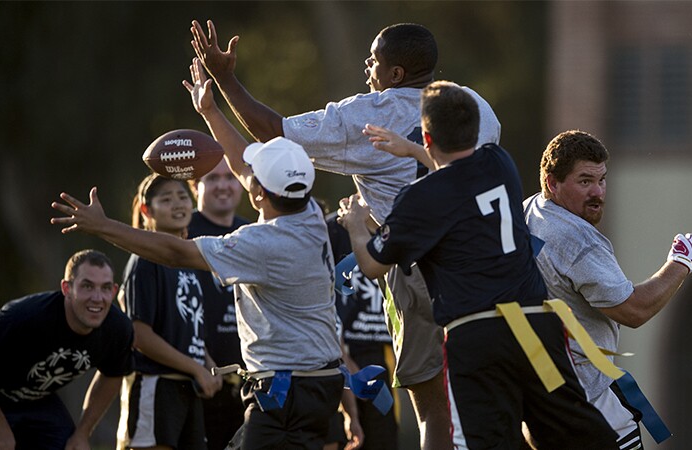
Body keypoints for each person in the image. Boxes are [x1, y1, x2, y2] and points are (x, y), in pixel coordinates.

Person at [190, 20, 500, 448]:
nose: (367, 66)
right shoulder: (475, 105)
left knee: (432, 409)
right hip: (488, 262)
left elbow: (273, 131)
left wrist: (224, 79)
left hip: (416, 267)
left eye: (375, 60)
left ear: (396, 75)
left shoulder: (369, 115)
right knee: (493, 396)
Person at [50, 60, 344, 449]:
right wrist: (210, 111)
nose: (245, 174)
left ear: (258, 194)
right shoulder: (307, 213)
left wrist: (103, 226)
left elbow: (175, 252)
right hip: (319, 385)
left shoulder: (264, 243)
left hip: (285, 391)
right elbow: (244, 167)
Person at [338, 81, 618, 449]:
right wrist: (413, 150)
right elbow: (458, 173)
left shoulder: (419, 198)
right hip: (534, 326)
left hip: (478, 338)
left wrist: (356, 224)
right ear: (475, 131)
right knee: (576, 432)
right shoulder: (498, 163)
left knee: (491, 439)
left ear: (427, 136)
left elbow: (374, 266)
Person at [522, 130, 692, 449]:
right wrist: (681, 263)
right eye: (584, 181)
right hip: (589, 405)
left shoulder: (528, 211)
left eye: (602, 180)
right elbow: (633, 310)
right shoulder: (577, 240)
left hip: (540, 402)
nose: (598, 192)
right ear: (552, 182)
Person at [0, 249, 134, 450]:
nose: (97, 298)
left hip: (37, 400)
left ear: (114, 291)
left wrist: (82, 433)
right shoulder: (25, 316)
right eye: (87, 286)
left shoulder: (118, 330)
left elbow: (113, 374)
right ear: (66, 288)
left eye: (105, 288)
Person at [115, 173, 221, 450]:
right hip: (156, 386)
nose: (178, 204)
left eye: (183, 197)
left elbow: (190, 330)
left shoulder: (190, 260)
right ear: (146, 211)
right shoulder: (145, 260)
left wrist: (208, 364)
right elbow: (140, 335)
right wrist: (196, 369)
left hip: (188, 389)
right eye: (166, 199)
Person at [187, 160, 249, 450]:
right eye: (212, 178)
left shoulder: (252, 232)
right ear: (195, 185)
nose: (223, 185)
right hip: (196, 384)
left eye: (230, 177)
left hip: (250, 385)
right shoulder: (181, 231)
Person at [326, 212, 398, 450]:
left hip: (384, 356)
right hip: (340, 356)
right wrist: (342, 358)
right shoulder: (335, 227)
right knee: (348, 438)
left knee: (383, 437)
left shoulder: (403, 217)